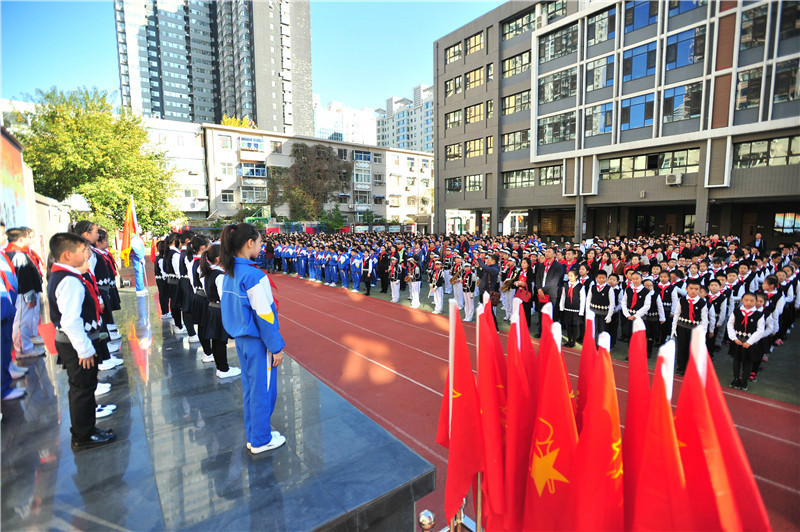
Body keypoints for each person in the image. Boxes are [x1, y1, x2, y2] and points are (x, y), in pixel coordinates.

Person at [220, 223, 286, 454]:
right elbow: (265, 316)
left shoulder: (229, 272)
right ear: (249, 244)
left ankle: (256, 433)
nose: (261, 246)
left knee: (251, 390)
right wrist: (276, 347)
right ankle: (260, 439)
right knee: (263, 391)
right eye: (259, 242)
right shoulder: (254, 275)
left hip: (241, 340)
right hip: (259, 343)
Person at [48, 233, 116, 450]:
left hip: (74, 343)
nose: (86, 254)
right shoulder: (68, 280)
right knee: (82, 390)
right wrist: (85, 350)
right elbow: (70, 321)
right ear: (68, 255)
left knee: (84, 388)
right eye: (81, 251)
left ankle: (88, 429)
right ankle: (82, 435)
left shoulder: (65, 276)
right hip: (75, 344)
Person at [199, 244, 241, 378]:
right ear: (218, 258)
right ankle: (223, 369)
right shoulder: (220, 276)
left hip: (211, 308)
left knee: (217, 340)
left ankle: (221, 367)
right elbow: (225, 298)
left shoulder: (207, 272)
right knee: (221, 341)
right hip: (219, 310)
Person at [6, 228, 45, 358]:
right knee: (22, 321)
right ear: (21, 239)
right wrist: (29, 295)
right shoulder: (17, 254)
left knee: (26, 320)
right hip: (22, 294)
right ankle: (23, 349)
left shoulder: (21, 253)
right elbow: (22, 278)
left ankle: (27, 343)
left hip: (25, 292)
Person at [727, 292, 765, 391]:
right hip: (738, 341)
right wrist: (734, 338)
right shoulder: (736, 311)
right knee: (736, 360)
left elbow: (760, 330)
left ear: (756, 302)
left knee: (748, 362)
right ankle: (736, 378)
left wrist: (750, 342)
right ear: (742, 300)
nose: (748, 302)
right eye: (746, 300)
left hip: (750, 343)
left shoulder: (759, 315)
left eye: (752, 300)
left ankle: (744, 380)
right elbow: (730, 324)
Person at [671, 278, 708, 376]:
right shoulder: (682, 300)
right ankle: (680, 368)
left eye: (696, 289)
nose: (693, 291)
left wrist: (703, 333)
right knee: (681, 348)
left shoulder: (702, 303)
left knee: (692, 349)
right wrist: (673, 328)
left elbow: (704, 320)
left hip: (695, 330)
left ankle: (690, 368)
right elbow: (677, 314)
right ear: (687, 289)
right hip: (682, 327)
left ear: (700, 291)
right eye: (691, 288)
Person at [534, 248, 563, 338]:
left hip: (552, 293)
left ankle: (551, 333)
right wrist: (539, 289)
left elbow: (555, 281)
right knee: (541, 313)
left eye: (550, 252)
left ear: (554, 254)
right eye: (546, 252)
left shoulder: (558, 266)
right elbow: (538, 277)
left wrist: (542, 289)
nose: (547, 253)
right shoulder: (542, 265)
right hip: (541, 293)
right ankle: (541, 331)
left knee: (552, 314)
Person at [559, 269, 585, 348]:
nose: (569, 277)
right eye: (568, 276)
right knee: (568, 324)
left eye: (571, 276)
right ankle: (569, 340)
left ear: (576, 276)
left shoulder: (580, 286)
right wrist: (561, 306)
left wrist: (581, 311)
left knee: (575, 325)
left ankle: (573, 340)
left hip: (576, 309)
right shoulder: (566, 285)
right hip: (567, 308)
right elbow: (563, 296)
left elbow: (583, 299)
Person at [586, 270, 614, 339]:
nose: (601, 279)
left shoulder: (609, 289)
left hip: (604, 314)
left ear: (606, 279)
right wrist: (587, 311)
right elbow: (588, 299)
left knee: (603, 330)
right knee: (594, 329)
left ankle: (601, 346)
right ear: (596, 278)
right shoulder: (592, 287)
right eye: (599, 278)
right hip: (593, 312)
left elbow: (612, 302)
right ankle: (594, 345)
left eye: (603, 278)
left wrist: (609, 315)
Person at [514, 257, 535, 331]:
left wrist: (523, 284)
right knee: (519, 307)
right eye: (522, 263)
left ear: (528, 264)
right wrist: (516, 282)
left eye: (524, 263)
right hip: (519, 292)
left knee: (526, 308)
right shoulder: (520, 271)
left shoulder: (530, 272)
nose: (523, 264)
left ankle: (526, 323)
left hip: (526, 292)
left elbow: (529, 282)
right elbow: (516, 279)